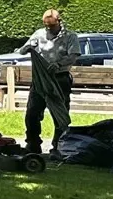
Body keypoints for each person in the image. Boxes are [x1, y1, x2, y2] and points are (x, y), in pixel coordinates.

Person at [18, 9, 80, 154]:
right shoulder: (39, 34)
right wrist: (27, 48)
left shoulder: (70, 37)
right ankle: (33, 144)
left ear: (59, 22)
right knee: (32, 113)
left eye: (51, 26)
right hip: (40, 81)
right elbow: (22, 51)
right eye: (46, 26)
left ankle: (58, 146)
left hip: (60, 80)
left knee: (59, 114)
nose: (48, 29)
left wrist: (58, 64)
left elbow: (73, 56)